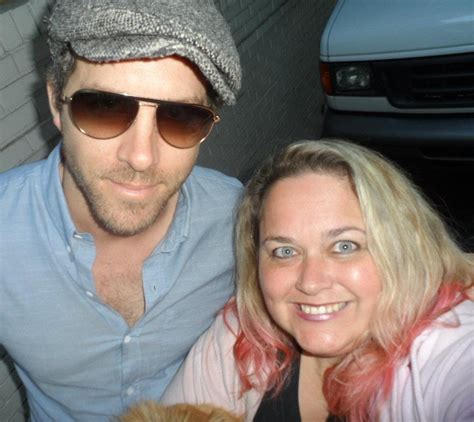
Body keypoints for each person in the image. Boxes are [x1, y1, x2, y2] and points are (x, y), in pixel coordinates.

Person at [0, 0, 242, 420]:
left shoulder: (238, 219)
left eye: (180, 116)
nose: (141, 157)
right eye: (104, 107)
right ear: (56, 103)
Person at [161, 139, 474, 421]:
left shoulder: (445, 348)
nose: (311, 282)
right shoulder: (240, 335)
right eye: (285, 251)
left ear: (403, 250)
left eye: (344, 246)